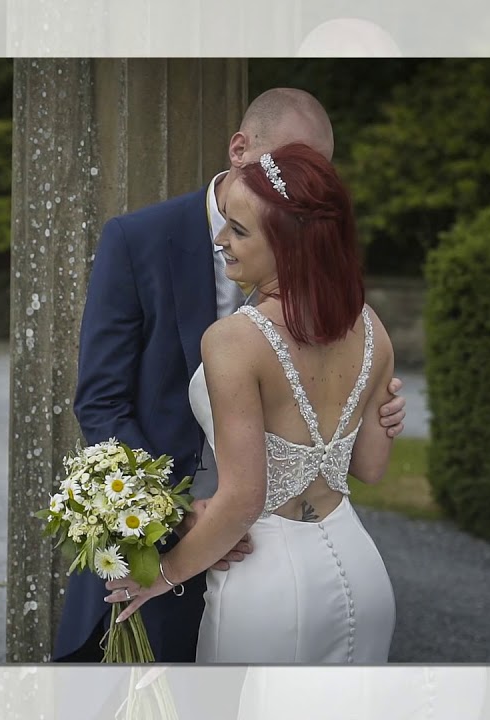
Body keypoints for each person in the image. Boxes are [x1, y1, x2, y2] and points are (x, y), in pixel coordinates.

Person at [58, 88, 407, 664]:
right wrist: (168, 516)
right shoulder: (367, 321)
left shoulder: (239, 337)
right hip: (345, 562)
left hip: (260, 567)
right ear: (240, 150)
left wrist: (160, 576)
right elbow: (101, 401)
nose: (225, 240)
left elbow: (244, 496)